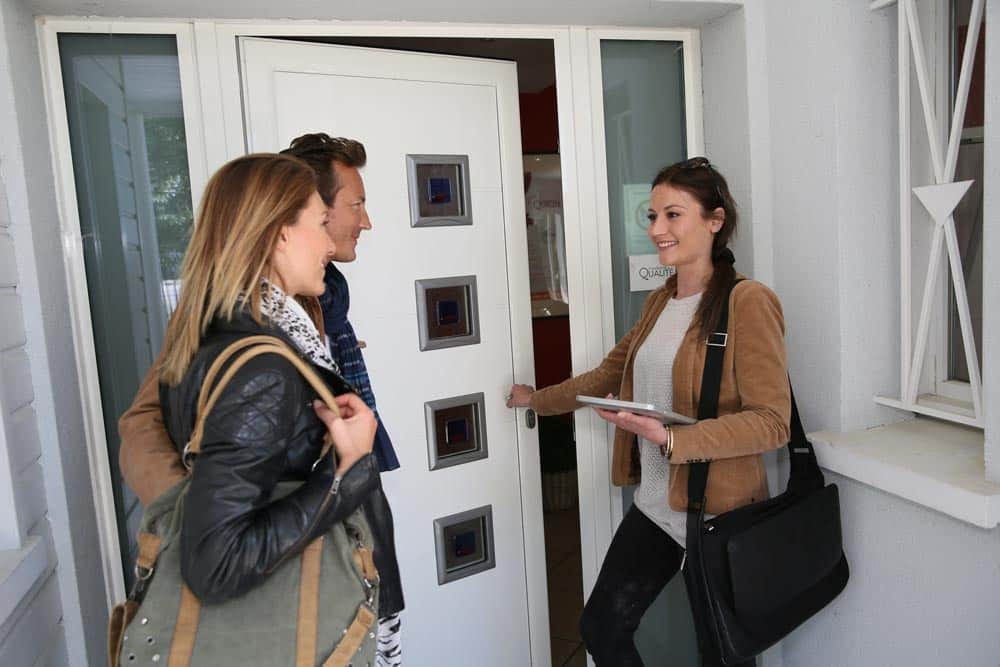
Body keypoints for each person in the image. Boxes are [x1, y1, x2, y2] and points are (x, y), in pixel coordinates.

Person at [120, 138, 404, 665]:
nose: (361, 223)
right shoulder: (251, 351)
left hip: (308, 571)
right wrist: (346, 471)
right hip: (279, 604)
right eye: (338, 213)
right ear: (279, 231)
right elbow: (216, 555)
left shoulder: (306, 307)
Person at [506, 157, 790, 666]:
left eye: (673, 215)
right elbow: (606, 376)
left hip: (718, 513)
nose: (657, 229)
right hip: (658, 507)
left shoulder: (747, 302)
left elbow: (772, 421)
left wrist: (671, 439)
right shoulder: (660, 302)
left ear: (715, 221)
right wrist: (538, 400)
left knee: (723, 655)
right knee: (601, 627)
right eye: (652, 216)